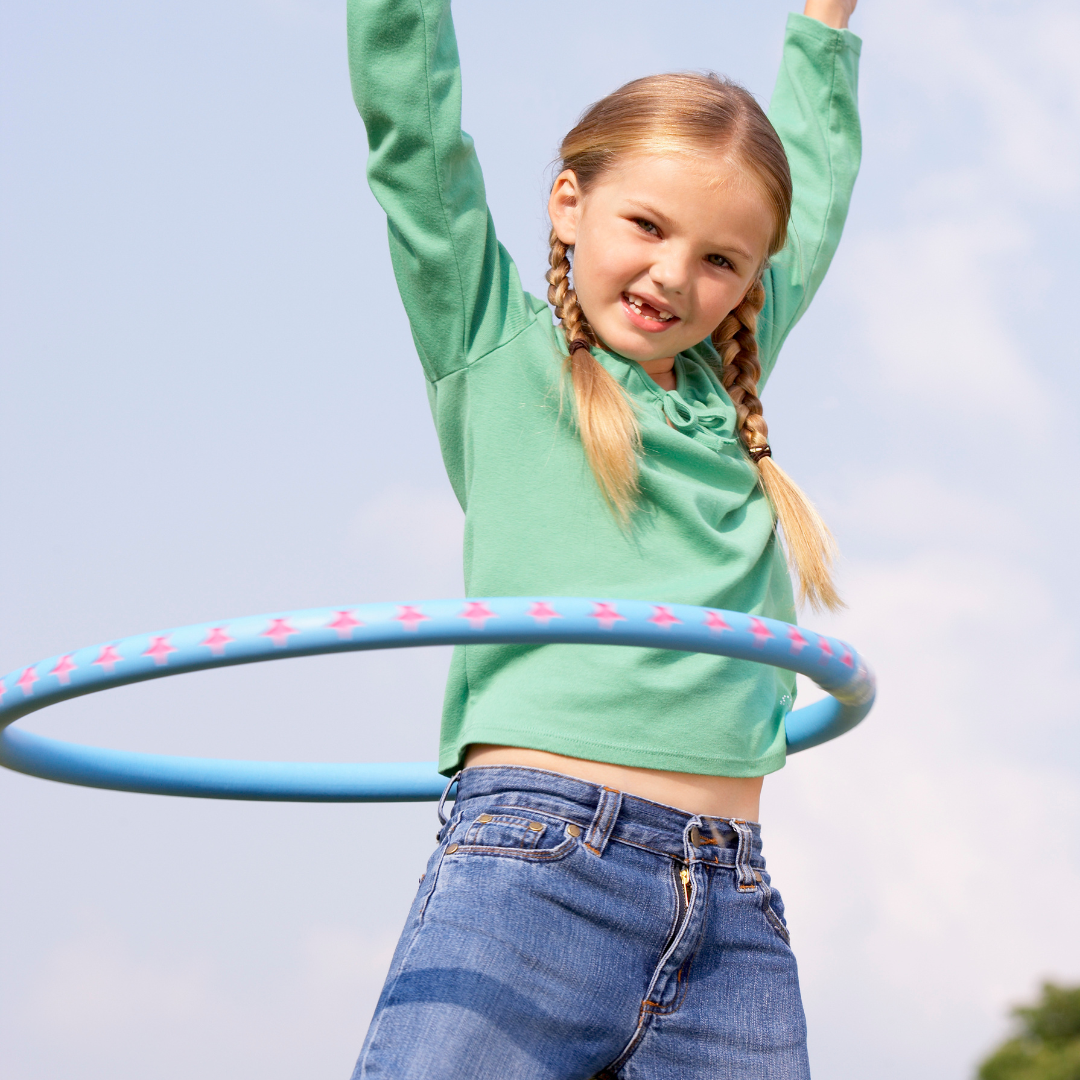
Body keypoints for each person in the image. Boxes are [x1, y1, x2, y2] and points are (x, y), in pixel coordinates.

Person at [347, 0, 861, 1075]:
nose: (678, 276)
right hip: (533, 871)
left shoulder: (726, 391)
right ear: (569, 204)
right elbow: (416, 137)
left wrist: (824, 22)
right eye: (648, 227)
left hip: (735, 910)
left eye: (723, 261)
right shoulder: (497, 350)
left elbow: (812, 186)